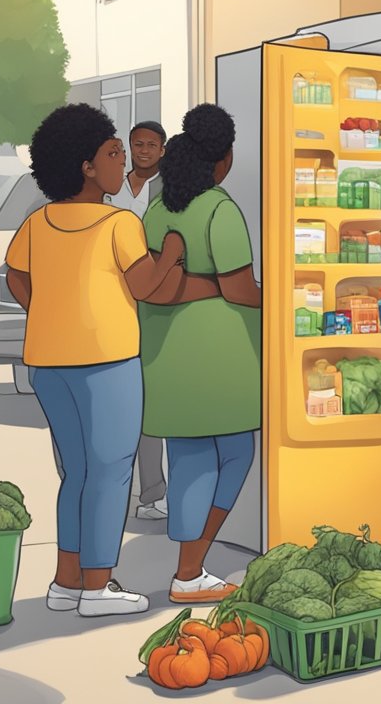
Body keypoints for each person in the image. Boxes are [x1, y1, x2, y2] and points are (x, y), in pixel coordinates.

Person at [6, 104, 184, 617]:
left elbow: (17, 275)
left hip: (49, 365)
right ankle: (98, 588)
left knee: (78, 474)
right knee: (111, 473)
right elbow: (145, 286)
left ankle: (66, 581)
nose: (121, 163)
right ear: (86, 166)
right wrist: (170, 253)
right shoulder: (119, 222)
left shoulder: (39, 221)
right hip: (107, 362)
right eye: (113, 154)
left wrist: (44, 311)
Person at [139, 104, 261, 604]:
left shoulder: (157, 209)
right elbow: (240, 290)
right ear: (223, 160)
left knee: (189, 457)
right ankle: (190, 571)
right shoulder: (219, 209)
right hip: (219, 355)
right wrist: (283, 293)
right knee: (235, 453)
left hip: (166, 354)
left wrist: (193, 282)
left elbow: (154, 282)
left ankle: (191, 567)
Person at [103, 120, 172, 522]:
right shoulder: (111, 186)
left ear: (162, 150)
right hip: (112, 296)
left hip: (151, 296)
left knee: (148, 399)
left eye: (151, 145)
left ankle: (152, 493)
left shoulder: (169, 189)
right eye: (137, 145)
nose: (143, 151)